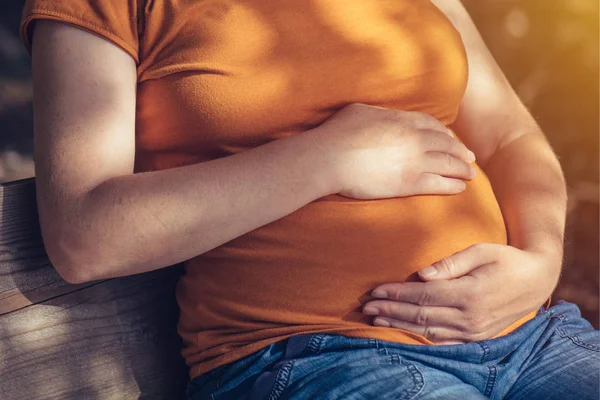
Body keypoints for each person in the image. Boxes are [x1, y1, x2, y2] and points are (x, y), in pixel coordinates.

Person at [20, 0, 598, 398]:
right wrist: (328, 160)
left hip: (531, 333)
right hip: (314, 358)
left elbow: (510, 136)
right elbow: (84, 234)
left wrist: (541, 262)